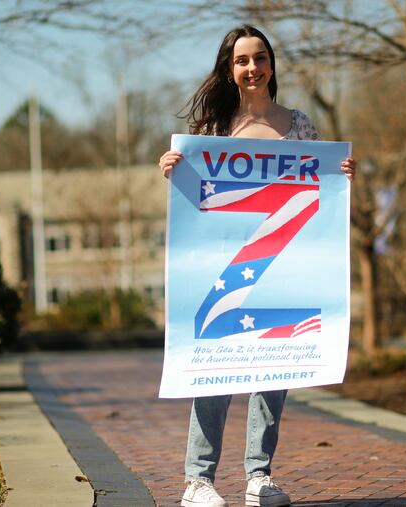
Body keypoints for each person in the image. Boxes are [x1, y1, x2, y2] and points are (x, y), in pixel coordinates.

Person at [158, 25, 356, 507]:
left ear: (271, 65)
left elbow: (318, 193)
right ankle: (197, 481)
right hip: (225, 267)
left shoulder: (300, 125)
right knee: (214, 369)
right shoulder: (213, 132)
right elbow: (196, 204)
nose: (253, 68)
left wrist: (341, 174)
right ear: (230, 69)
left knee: (274, 369)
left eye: (260, 58)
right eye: (242, 60)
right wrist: (171, 168)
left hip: (283, 265)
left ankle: (259, 478)